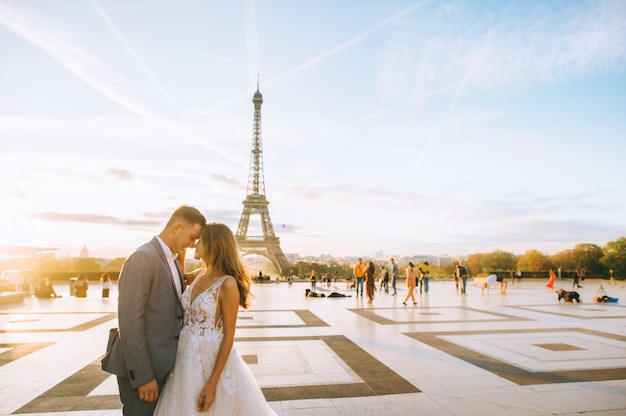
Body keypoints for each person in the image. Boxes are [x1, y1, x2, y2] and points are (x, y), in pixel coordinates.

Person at [154, 221, 276, 415]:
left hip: (210, 361)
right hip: (184, 358)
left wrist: (212, 384)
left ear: (212, 245)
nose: (194, 244)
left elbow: (228, 335)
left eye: (199, 241)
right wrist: (182, 251)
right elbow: (179, 275)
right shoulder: (200, 274)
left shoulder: (227, 285)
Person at [101, 205, 206, 416]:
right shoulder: (142, 258)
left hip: (163, 366)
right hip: (145, 372)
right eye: (192, 237)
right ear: (177, 227)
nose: (193, 244)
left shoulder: (174, 261)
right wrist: (143, 376)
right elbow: (130, 322)